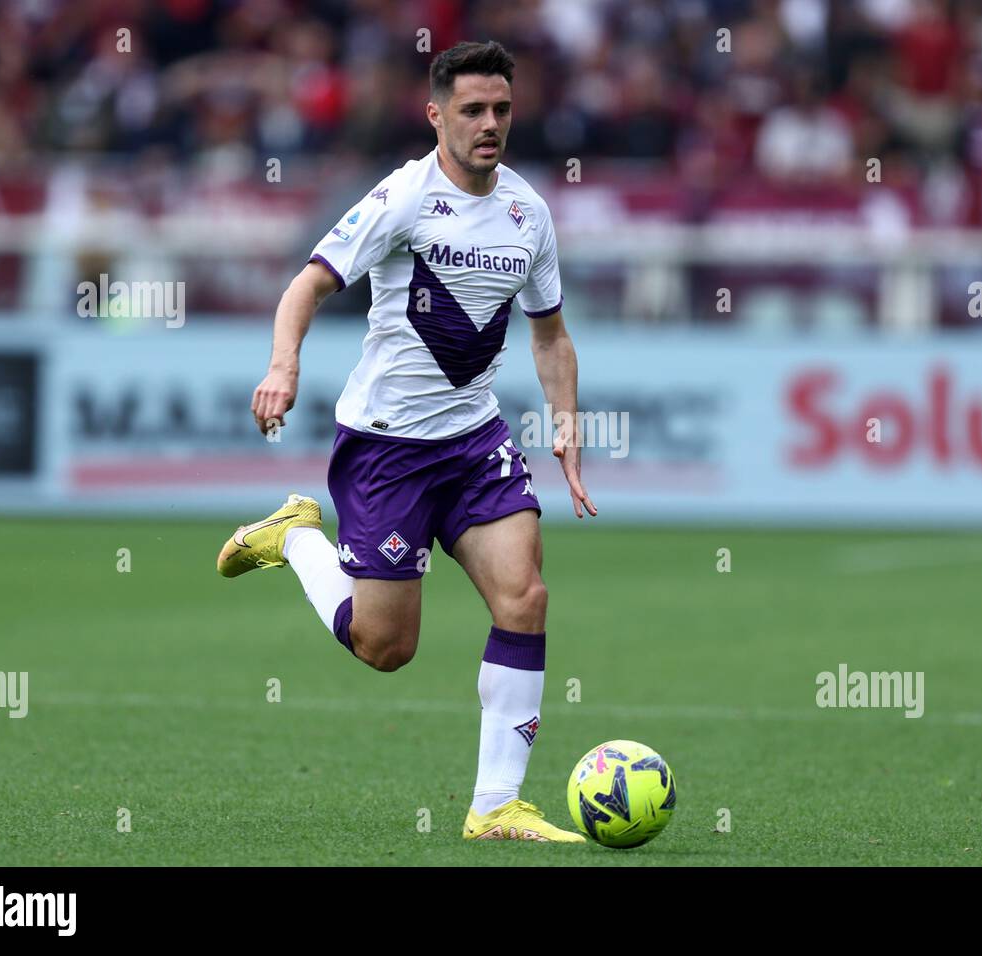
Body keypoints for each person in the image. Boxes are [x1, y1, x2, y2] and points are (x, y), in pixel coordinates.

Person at [215, 40, 595, 842]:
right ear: (436, 116)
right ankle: (295, 541)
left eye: (501, 109)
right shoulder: (400, 199)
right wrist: (282, 366)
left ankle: (496, 807)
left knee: (525, 599)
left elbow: (551, 334)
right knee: (386, 648)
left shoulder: (530, 213)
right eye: (472, 111)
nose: (489, 124)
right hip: (386, 447)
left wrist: (565, 423)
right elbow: (305, 285)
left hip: (474, 441)